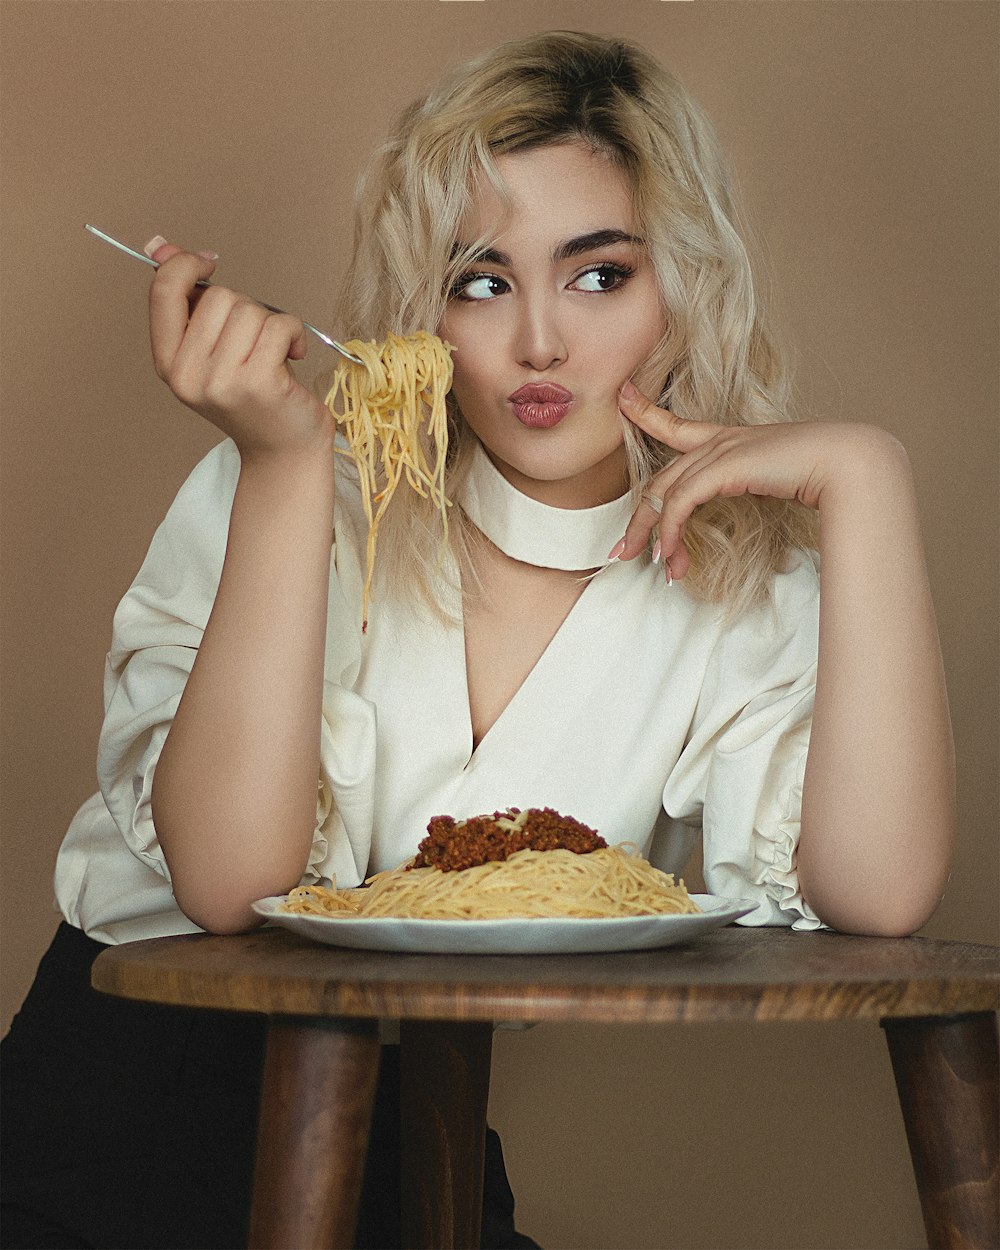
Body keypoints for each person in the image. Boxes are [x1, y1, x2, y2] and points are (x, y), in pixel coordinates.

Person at [1, 29, 954, 1250]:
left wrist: (868, 480)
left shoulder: (739, 576)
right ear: (427, 304)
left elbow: (878, 895)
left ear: (684, 285)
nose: (541, 343)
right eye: (484, 280)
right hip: (114, 1115)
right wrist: (286, 464)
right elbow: (229, 885)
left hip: (409, 1122)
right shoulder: (303, 479)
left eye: (599, 274)